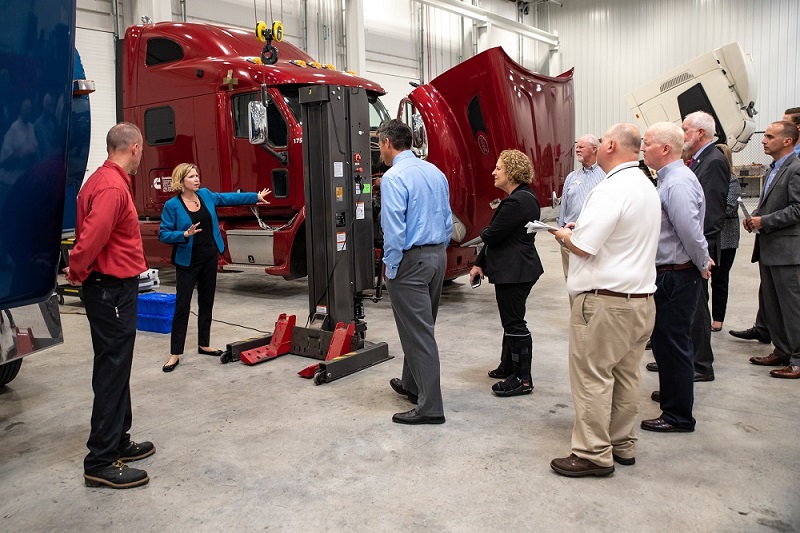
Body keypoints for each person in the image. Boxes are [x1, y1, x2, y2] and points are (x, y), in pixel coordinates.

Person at [549, 123, 660, 477]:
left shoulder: (611, 190)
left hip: (606, 303)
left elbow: (584, 244)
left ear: (609, 144)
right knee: (627, 376)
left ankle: (593, 453)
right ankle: (621, 443)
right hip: (641, 300)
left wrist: (564, 235)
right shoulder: (645, 185)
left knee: (593, 377)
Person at [65, 122, 153, 489]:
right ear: (134, 148)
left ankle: (118, 439)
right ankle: (100, 460)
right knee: (112, 367)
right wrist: (77, 271)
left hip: (113, 288)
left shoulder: (102, 181)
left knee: (118, 364)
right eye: (142, 150)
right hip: (110, 289)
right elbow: (91, 237)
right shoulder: (112, 187)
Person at [159, 163, 269, 372]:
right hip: (187, 261)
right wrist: (183, 234)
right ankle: (175, 354)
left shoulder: (206, 195)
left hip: (209, 256)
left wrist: (255, 196)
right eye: (191, 176)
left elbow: (228, 198)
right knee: (182, 306)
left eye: (197, 175)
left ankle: (204, 344)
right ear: (180, 181)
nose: (197, 179)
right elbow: (163, 234)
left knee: (206, 301)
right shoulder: (172, 205)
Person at [379, 119, 452, 425]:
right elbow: (448, 219)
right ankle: (412, 384)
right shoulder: (434, 172)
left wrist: (391, 266)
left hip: (411, 262)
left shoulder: (394, 177)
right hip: (437, 256)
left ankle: (430, 407)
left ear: (386, 143)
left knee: (419, 333)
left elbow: (394, 230)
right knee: (420, 326)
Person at [640, 121, 712, 434]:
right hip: (671, 274)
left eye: (647, 143)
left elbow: (690, 231)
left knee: (674, 344)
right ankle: (673, 395)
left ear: (666, 149)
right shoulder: (670, 179)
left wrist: (702, 262)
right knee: (665, 343)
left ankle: (679, 415)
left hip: (676, 274)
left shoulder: (677, 183)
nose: (643, 148)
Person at [469, 149, 543, 396]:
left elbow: (491, 234)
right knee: (510, 319)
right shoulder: (522, 197)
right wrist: (480, 262)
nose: (494, 172)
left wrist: (485, 233)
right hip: (516, 268)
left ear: (511, 172)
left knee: (514, 323)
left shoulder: (517, 202)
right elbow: (494, 238)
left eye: (498, 168)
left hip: (516, 271)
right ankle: (508, 366)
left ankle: (522, 379)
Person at [746, 121, 800, 379]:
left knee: (792, 308)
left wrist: (764, 222)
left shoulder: (796, 168)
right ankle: (782, 351)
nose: (763, 140)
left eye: (769, 136)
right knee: (773, 306)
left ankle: (798, 360)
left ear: (787, 140)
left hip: (788, 252)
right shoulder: (773, 169)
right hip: (769, 248)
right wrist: (756, 216)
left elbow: (798, 209)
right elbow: (769, 204)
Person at [683, 111, 729, 382]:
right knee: (690, 306)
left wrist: (700, 251)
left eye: (686, 129)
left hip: (700, 247)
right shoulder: (700, 160)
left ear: (700, 133)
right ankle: (687, 356)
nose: (683, 134)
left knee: (698, 307)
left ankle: (701, 364)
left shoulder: (712, 162)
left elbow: (711, 214)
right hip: (695, 246)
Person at [557, 135, 605, 281]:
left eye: (581, 147)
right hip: (570, 236)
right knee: (571, 279)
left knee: (590, 281)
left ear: (594, 149)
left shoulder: (605, 175)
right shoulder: (571, 177)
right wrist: (560, 228)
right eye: (576, 146)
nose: (577, 149)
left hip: (594, 238)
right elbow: (564, 203)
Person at [710, 144, 742, 332]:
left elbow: (730, 207)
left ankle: (718, 318)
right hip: (710, 237)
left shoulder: (732, 181)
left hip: (726, 239)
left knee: (720, 279)